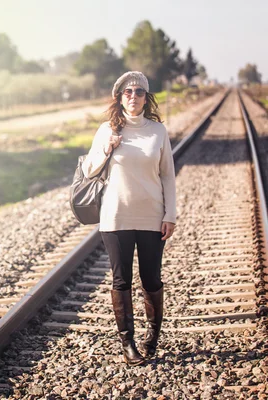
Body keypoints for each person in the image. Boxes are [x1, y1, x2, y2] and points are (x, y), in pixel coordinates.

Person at [81, 71, 176, 366]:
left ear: (146, 98)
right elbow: (89, 171)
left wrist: (170, 214)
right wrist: (108, 147)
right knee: (121, 280)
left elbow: (167, 176)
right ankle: (128, 343)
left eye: (138, 92)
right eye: (127, 92)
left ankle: (152, 335)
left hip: (151, 215)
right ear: (119, 97)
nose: (133, 96)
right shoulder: (106, 129)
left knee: (151, 279)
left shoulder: (158, 131)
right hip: (116, 216)